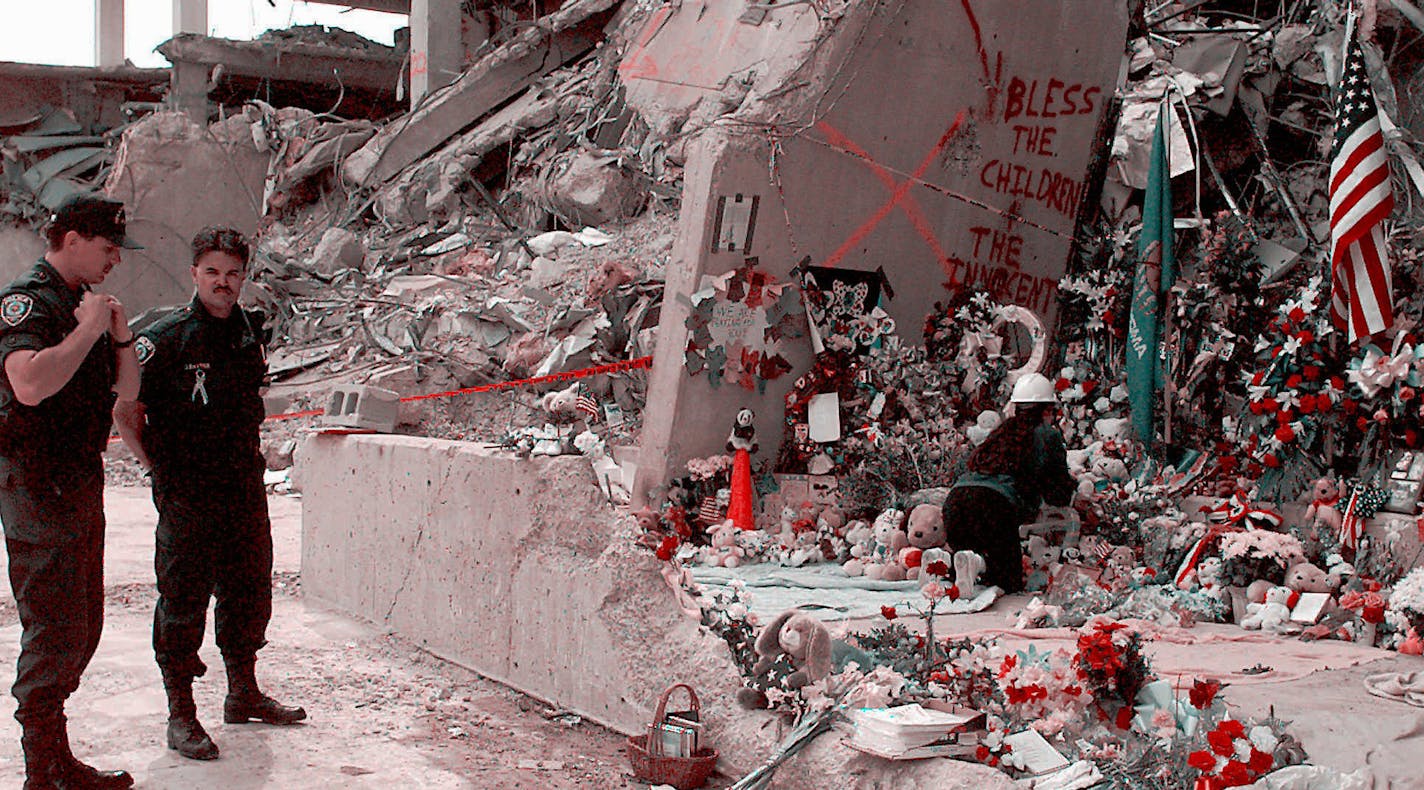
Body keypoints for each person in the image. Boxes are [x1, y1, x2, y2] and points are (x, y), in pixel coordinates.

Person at [113, 227, 305, 762]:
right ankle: (181, 713)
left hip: (242, 485)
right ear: (195, 273)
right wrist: (159, 472)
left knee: (248, 590)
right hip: (188, 492)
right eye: (212, 272)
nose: (223, 283)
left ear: (244, 277)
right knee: (183, 601)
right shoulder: (165, 337)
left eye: (233, 274)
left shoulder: (250, 332)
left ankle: (242, 692)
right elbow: (127, 416)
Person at [0, 193, 142, 789]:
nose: (115, 260)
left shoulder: (83, 305)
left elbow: (126, 394)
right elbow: (29, 384)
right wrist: (86, 330)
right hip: (37, 481)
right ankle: (42, 770)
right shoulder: (26, 302)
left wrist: (116, 336)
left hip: (80, 480)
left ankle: (57, 758)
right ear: (74, 239)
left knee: (83, 623)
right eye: (108, 249)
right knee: (54, 624)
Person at [942, 372, 1075, 594]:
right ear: (1047, 410)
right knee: (1006, 582)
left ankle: (944, 563)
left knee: (966, 566)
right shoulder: (1046, 435)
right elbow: (1058, 493)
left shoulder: (999, 434)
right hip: (995, 507)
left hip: (955, 504)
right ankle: (978, 564)